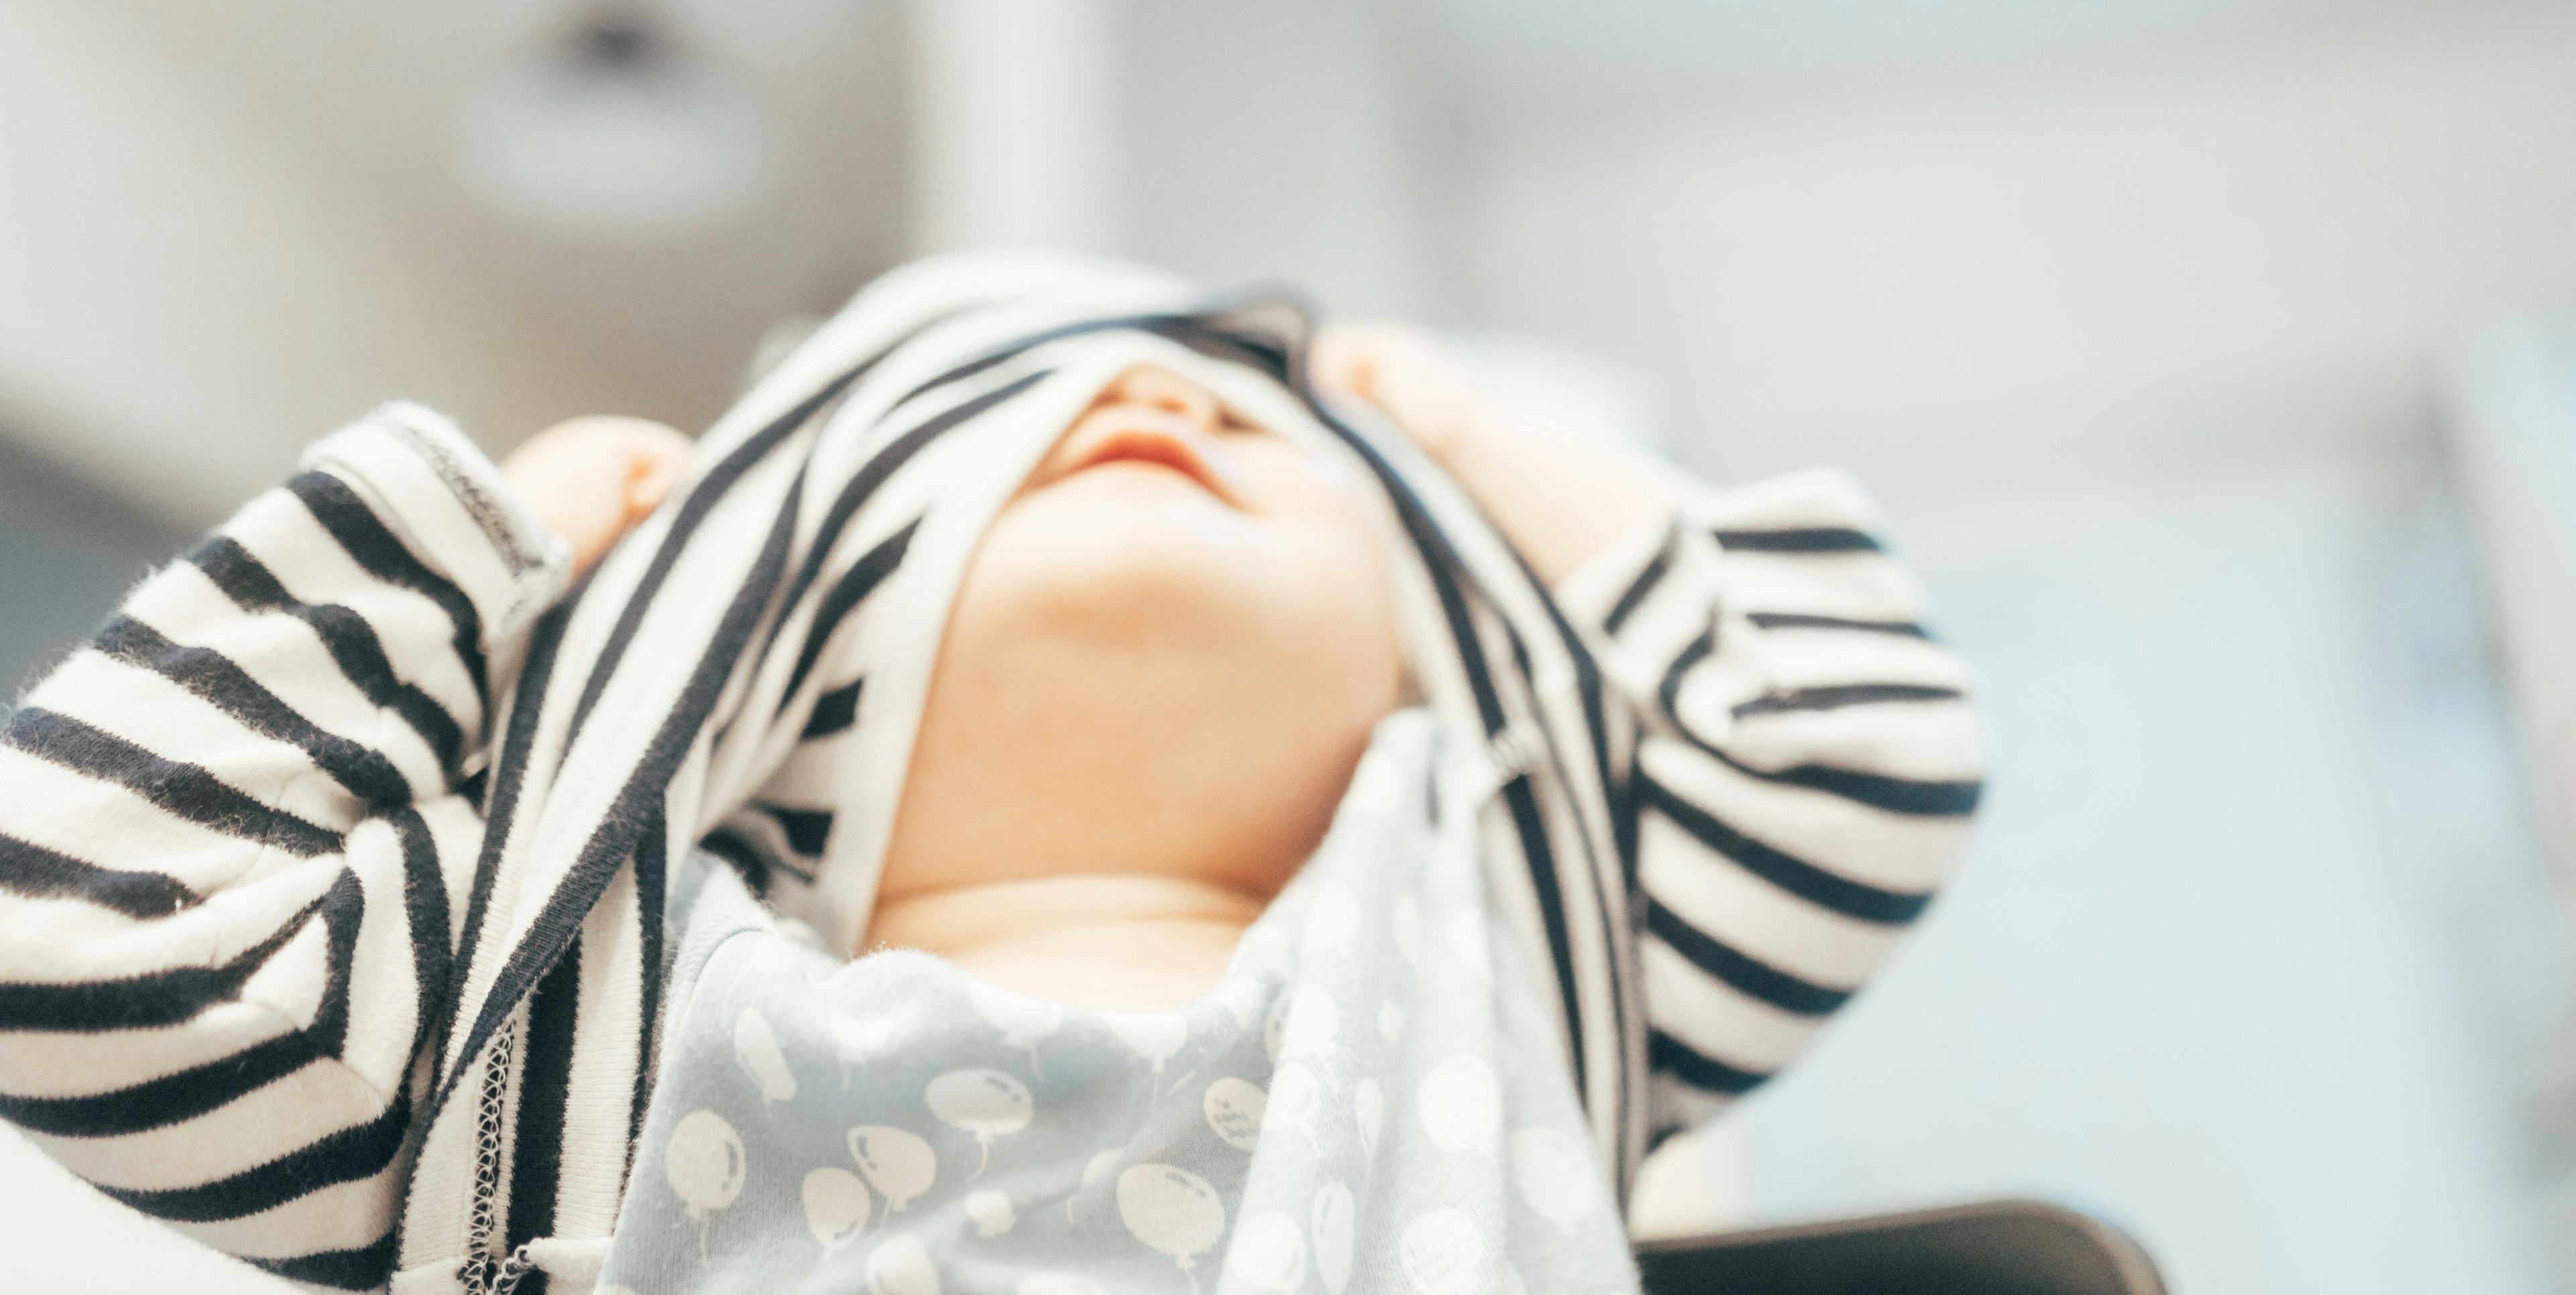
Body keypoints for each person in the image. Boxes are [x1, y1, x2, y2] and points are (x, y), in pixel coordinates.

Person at [0, 253, 1984, 1294]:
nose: (1150, 393)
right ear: (774, 638)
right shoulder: (544, 1018)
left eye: (1264, 428)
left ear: (1442, 652)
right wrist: (467, 541)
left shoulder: (1531, 955)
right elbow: (77, 925)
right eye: (1003, 426)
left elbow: (1849, 741)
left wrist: (1468, 441)